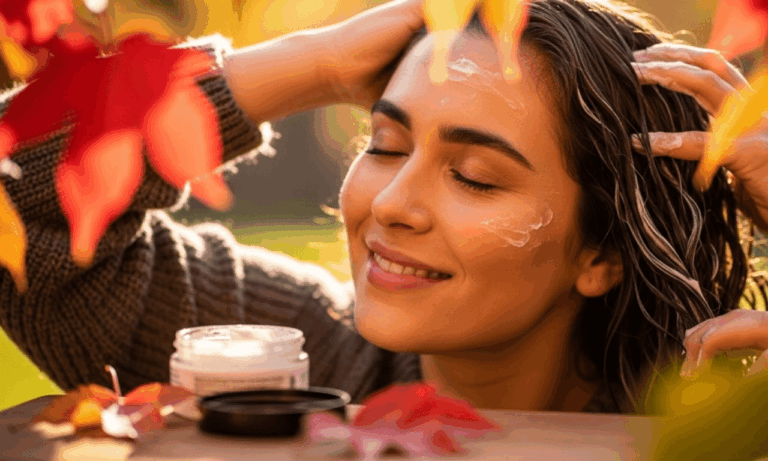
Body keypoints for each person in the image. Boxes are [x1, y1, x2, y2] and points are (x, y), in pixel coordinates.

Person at [2, 0, 768, 415]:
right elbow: (13, 217)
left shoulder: (714, 416)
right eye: (385, 144)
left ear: (599, 254)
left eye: (472, 175)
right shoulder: (287, 357)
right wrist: (316, 62)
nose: (392, 205)